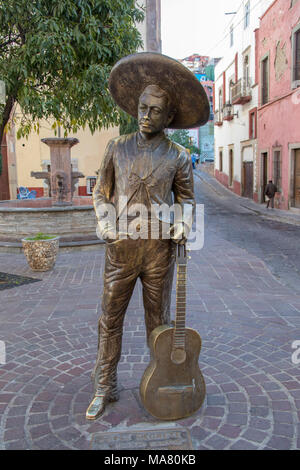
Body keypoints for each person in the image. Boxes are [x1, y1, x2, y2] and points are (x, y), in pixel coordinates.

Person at [85, 52, 209, 420]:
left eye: (155, 110)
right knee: (110, 318)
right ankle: (104, 387)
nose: (145, 115)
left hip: (159, 252)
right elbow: (99, 193)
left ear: (168, 117)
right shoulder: (116, 148)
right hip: (120, 250)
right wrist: (104, 223)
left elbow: (186, 199)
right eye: (142, 107)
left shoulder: (178, 156)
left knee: (160, 324)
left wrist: (184, 222)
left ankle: (160, 389)